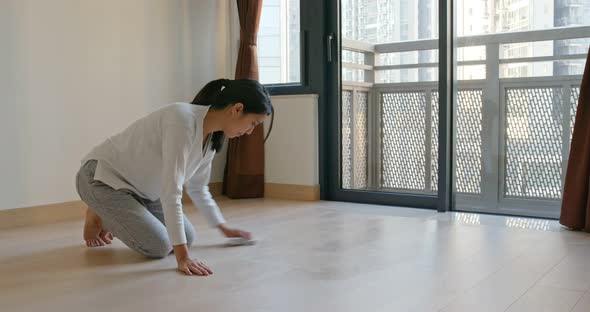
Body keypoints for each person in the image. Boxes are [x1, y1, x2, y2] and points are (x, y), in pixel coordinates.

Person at [75, 78, 273, 276]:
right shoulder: (181, 120)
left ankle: (114, 210)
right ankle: (99, 213)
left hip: (142, 192)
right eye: (253, 123)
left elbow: (198, 188)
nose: (250, 131)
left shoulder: (211, 139)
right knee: (159, 246)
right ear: (237, 109)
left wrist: (224, 228)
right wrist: (183, 257)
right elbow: (171, 192)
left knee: (187, 236)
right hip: (101, 178)